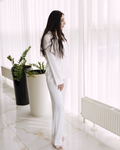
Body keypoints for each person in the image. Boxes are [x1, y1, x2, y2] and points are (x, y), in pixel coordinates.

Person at [40, 10, 71, 150]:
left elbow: (63, 58)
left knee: (58, 107)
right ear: (55, 21)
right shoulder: (47, 37)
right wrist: (59, 80)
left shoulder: (60, 35)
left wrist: (65, 77)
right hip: (54, 78)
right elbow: (52, 61)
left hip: (64, 76)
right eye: (62, 20)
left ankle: (57, 134)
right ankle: (57, 140)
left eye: (64, 20)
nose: (64, 23)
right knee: (59, 106)